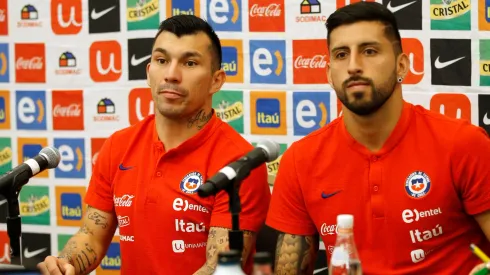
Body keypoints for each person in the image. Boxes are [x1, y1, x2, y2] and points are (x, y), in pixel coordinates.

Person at [265, 2, 490, 275]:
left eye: (369, 51)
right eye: (340, 54)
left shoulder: (463, 144)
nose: (353, 66)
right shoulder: (300, 160)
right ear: (328, 74)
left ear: (402, 65)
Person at [37, 15, 271, 275]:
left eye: (190, 63)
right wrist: (65, 263)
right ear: (149, 72)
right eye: (162, 61)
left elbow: (219, 268)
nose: (171, 75)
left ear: (216, 81)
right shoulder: (119, 146)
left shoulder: (238, 163)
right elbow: (91, 234)